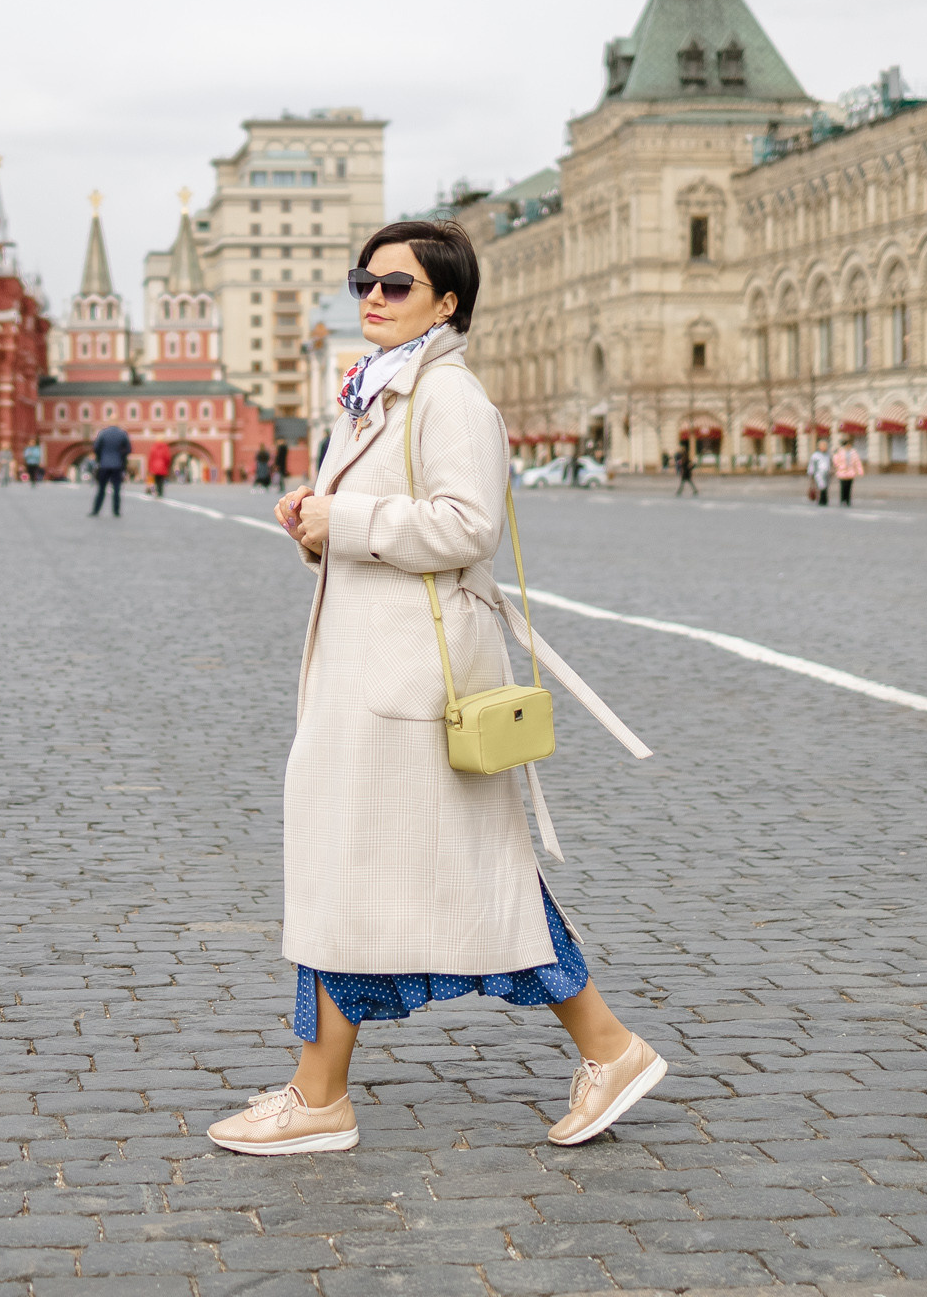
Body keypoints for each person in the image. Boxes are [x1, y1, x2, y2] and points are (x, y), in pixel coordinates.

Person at [212, 218, 662, 1158]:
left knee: (459, 878)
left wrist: (348, 514)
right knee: (360, 875)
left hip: (411, 689)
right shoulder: (379, 393)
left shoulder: (448, 393)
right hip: (375, 676)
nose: (372, 297)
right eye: (363, 282)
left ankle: (602, 1048)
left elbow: (465, 529)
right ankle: (321, 1091)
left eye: (396, 285)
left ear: (446, 302)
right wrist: (316, 528)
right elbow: (390, 533)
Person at [90, 421, 130, 517]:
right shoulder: (122, 434)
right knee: (116, 489)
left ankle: (96, 510)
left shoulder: (103, 433)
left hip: (104, 464)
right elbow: (128, 449)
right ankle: (116, 511)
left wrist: (100, 458)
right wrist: (121, 456)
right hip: (117, 464)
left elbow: (96, 448)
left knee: (101, 489)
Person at [832, 436, 864, 506]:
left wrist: (860, 471)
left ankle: (848, 500)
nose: (848, 446)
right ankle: (842, 500)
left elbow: (857, 462)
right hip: (842, 472)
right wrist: (839, 466)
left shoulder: (853, 452)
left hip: (851, 472)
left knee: (849, 487)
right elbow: (835, 460)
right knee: (843, 487)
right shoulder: (839, 451)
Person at [805, 439, 832, 507]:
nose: (824, 447)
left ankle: (825, 500)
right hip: (818, 473)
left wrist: (831, 470)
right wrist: (811, 473)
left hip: (827, 473)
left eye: (825, 446)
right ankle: (821, 500)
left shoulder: (827, 455)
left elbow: (830, 464)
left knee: (825, 487)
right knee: (821, 486)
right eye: (822, 446)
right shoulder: (815, 455)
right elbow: (812, 465)